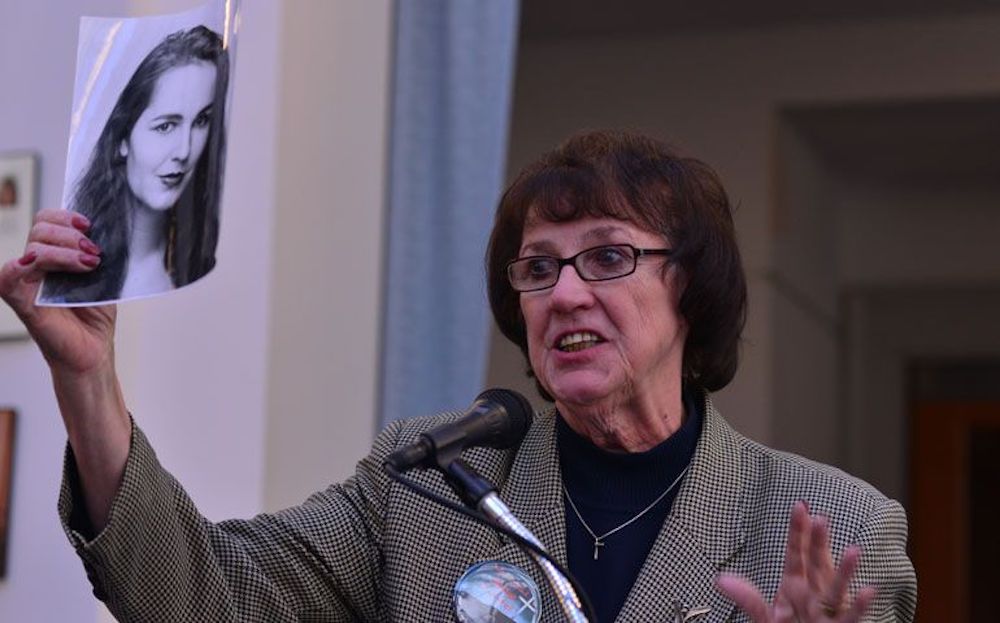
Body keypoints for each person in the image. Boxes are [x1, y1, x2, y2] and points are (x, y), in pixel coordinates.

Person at [0, 131, 916, 621]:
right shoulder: (431, 479)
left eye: (605, 258)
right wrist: (87, 379)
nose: (563, 294)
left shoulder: (835, 527)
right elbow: (201, 599)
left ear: (690, 287)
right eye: (537, 268)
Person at [40, 25, 228, 304]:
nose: (185, 151)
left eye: (201, 121)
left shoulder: (204, 262)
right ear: (122, 139)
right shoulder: (78, 276)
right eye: (166, 126)